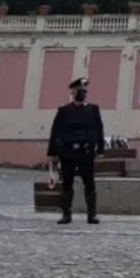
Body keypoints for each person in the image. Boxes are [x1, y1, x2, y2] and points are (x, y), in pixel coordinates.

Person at [46, 77, 106, 225]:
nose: (81, 93)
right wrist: (52, 153)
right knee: (67, 183)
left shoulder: (93, 109)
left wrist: (100, 148)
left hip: (86, 152)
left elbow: (99, 129)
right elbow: (55, 132)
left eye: (83, 91)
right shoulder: (64, 111)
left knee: (89, 183)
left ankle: (91, 215)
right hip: (68, 152)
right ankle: (66, 214)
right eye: (78, 91)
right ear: (72, 92)